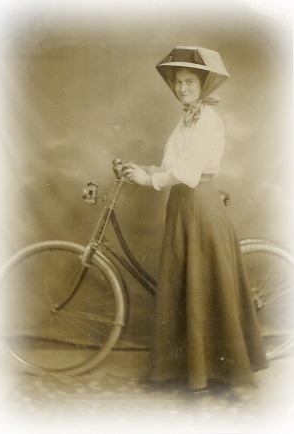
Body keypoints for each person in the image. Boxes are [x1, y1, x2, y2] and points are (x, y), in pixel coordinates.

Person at [123, 46, 268, 395]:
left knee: (203, 286)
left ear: (203, 84)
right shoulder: (187, 117)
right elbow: (175, 164)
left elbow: (188, 171)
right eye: (178, 82)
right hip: (181, 206)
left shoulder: (207, 120)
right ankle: (180, 372)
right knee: (183, 284)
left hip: (200, 206)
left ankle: (213, 378)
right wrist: (146, 170)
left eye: (189, 81)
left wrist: (150, 181)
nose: (183, 87)